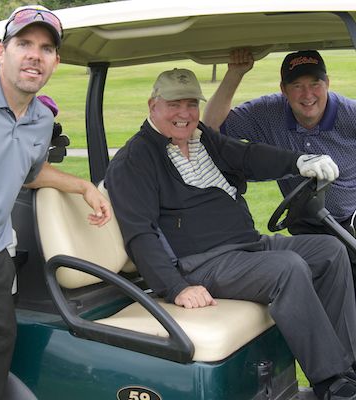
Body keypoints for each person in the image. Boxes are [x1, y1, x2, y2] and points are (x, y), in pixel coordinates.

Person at [105, 67, 356, 400]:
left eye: (191, 104)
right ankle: (331, 382)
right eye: (174, 104)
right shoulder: (134, 159)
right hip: (201, 262)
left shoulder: (201, 138)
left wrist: (299, 161)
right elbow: (139, 233)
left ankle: (347, 364)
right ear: (153, 105)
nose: (185, 114)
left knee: (329, 251)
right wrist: (176, 287)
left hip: (244, 246)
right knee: (288, 268)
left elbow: (247, 156)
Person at [0, 5, 111, 400]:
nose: (34, 55)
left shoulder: (40, 119)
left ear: (55, 61)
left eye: (45, 48)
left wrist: (81, 186)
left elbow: (26, 171)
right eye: (24, 43)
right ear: (1, 52)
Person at [202, 49, 356, 238]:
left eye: (315, 84)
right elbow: (210, 128)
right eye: (297, 86)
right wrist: (235, 73)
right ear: (283, 89)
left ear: (327, 84)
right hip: (305, 228)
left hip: (351, 219)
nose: (308, 95)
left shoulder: (350, 114)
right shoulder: (267, 113)